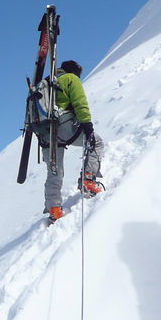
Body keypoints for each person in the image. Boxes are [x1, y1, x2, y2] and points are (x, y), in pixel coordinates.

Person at [39, 60, 103, 222]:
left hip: (45, 132)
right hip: (64, 126)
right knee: (96, 142)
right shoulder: (70, 79)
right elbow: (79, 102)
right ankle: (88, 179)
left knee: (55, 170)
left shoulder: (46, 84)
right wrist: (87, 126)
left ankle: (54, 208)